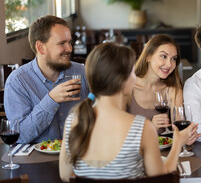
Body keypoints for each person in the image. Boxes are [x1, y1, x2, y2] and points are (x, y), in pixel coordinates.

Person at [59, 43, 194, 181]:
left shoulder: (72, 121)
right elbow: (161, 179)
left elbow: (65, 176)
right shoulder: (142, 128)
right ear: (123, 81)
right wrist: (178, 143)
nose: (135, 77)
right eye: (132, 72)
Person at [4, 15, 89, 144]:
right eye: (62, 43)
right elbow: (21, 136)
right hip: (37, 160)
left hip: (79, 155)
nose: (69, 49)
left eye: (69, 42)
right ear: (40, 47)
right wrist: (51, 100)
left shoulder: (81, 72)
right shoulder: (17, 81)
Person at [127, 34, 200, 143]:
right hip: (133, 154)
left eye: (173, 59)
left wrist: (185, 137)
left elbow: (179, 127)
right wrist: (151, 127)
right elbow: (117, 133)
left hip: (165, 153)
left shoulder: (172, 89)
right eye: (164, 56)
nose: (169, 64)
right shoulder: (127, 88)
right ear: (148, 57)